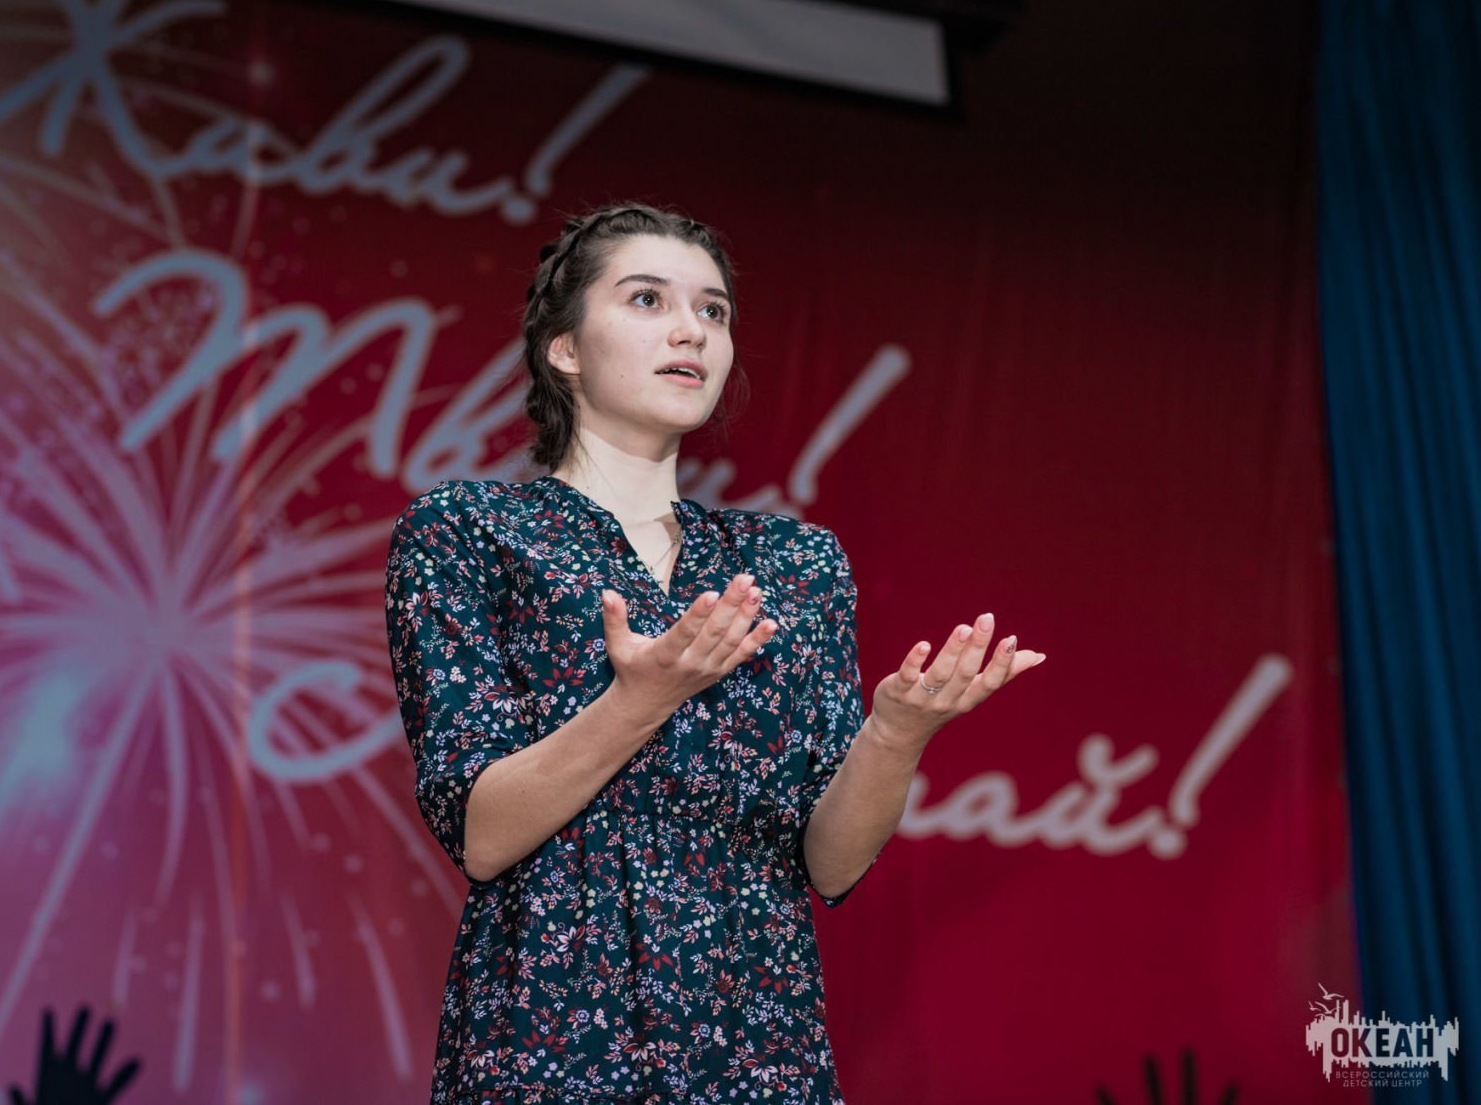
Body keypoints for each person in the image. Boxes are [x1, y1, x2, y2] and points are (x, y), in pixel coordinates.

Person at [384, 203, 1046, 1103]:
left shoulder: (795, 562)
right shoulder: (468, 531)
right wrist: (643, 697)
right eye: (647, 299)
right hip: (549, 1025)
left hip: (756, 1034)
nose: (691, 329)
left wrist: (895, 734)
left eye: (714, 310)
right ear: (564, 347)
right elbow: (483, 834)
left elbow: (830, 862)